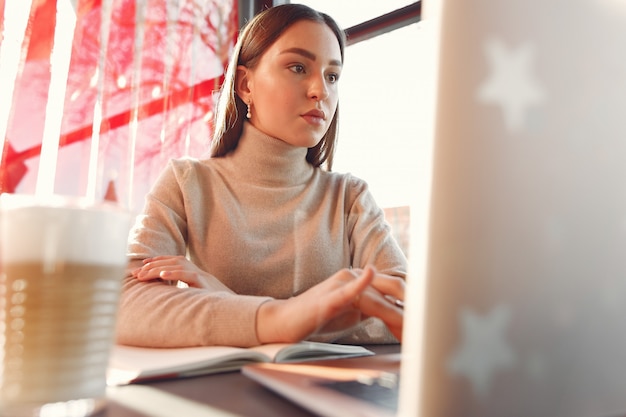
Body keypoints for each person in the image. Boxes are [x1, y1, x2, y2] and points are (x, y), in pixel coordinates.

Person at [116, 3, 407, 348]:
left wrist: (233, 302)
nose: (321, 90)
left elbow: (410, 314)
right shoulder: (186, 182)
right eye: (298, 67)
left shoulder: (350, 196)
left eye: (332, 75)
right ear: (245, 84)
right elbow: (121, 304)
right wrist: (278, 319)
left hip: (333, 393)